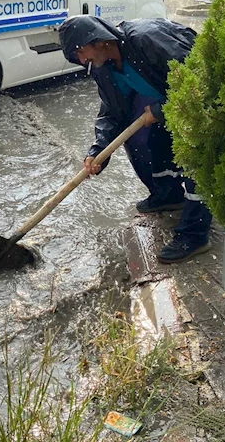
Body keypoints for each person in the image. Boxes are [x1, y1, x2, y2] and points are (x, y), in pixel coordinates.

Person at [58, 15, 212, 263]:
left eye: (80, 51)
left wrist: (162, 110)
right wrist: (99, 151)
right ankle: (169, 196)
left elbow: (201, 79)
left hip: (198, 108)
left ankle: (195, 236)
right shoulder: (102, 68)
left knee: (197, 163)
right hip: (166, 103)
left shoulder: (146, 39)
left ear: (97, 40)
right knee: (153, 144)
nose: (82, 60)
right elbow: (112, 111)